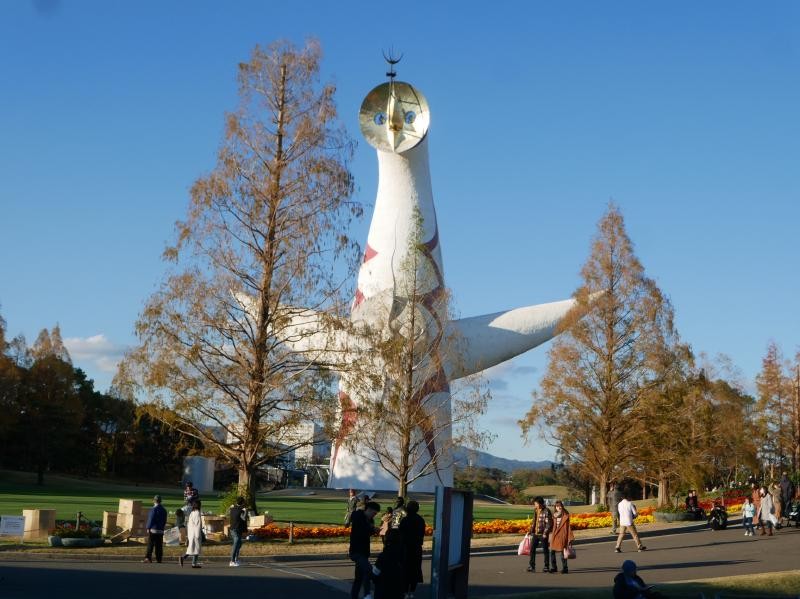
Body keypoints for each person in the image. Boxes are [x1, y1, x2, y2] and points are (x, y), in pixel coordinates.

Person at [349, 500, 380, 599]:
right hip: (356, 551)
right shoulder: (359, 516)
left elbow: (367, 533)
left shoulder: (369, 520)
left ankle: (357, 595)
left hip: (364, 551)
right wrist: (372, 529)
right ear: (369, 510)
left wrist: (373, 530)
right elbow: (361, 530)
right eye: (374, 513)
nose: (374, 516)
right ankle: (368, 594)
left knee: (359, 577)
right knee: (369, 571)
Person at [398, 499, 425, 598]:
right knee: (415, 569)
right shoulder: (420, 520)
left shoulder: (405, 520)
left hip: (405, 548)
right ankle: (412, 592)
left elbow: (400, 534)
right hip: (417, 548)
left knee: (405, 570)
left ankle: (405, 591)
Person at [372, 528, 404, 599]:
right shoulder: (403, 556)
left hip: (382, 592)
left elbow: (374, 574)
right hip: (398, 592)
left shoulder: (383, 556)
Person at [526, 497, 553, 573]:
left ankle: (546, 566)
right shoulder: (536, 510)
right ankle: (532, 566)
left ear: (540, 503)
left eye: (536, 503)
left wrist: (545, 533)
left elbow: (549, 523)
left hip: (543, 534)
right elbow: (534, 521)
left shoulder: (546, 511)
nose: (535, 505)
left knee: (545, 550)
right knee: (532, 549)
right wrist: (530, 531)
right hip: (535, 533)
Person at [547, 500, 574, 574]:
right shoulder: (554, 515)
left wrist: (570, 538)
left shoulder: (566, 515)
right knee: (552, 552)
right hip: (554, 535)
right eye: (557, 506)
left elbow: (568, 527)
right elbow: (550, 525)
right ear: (555, 507)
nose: (559, 507)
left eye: (560, 506)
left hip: (562, 535)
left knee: (563, 552)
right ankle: (554, 567)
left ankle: (565, 568)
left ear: (562, 506)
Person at [143, 495, 167, 563]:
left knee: (150, 544)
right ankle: (159, 558)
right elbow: (164, 520)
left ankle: (148, 558)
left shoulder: (153, 509)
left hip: (153, 529)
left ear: (154, 501)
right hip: (160, 530)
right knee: (159, 545)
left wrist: (148, 527)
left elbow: (151, 519)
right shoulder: (164, 510)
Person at [180, 499, 204, 568]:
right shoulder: (197, 513)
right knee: (196, 548)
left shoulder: (192, 513)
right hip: (195, 533)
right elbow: (198, 525)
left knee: (192, 548)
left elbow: (189, 524)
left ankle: (187, 559)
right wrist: (198, 534)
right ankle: (193, 563)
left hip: (191, 533)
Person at [228, 496, 248, 567]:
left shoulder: (233, 508)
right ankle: (232, 561)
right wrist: (246, 511)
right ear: (242, 503)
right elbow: (244, 518)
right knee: (236, 544)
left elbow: (227, 513)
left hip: (235, 528)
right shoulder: (241, 510)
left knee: (239, 544)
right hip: (236, 529)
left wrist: (229, 507)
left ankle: (236, 559)